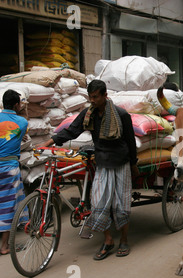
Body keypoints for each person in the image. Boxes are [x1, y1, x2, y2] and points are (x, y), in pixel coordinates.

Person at [38, 80, 138, 259]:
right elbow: (71, 131)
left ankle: (124, 240)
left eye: (95, 97)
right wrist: (49, 142)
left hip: (121, 162)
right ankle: (108, 240)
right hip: (102, 162)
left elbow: (131, 141)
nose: (92, 100)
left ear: (105, 96)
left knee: (121, 205)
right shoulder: (88, 114)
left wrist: (133, 164)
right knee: (99, 203)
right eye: (90, 97)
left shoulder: (121, 115)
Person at [0, 90, 28, 255]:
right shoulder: (22, 122)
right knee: (8, 205)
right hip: (9, 168)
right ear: (17, 105)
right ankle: (4, 246)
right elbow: (15, 136)